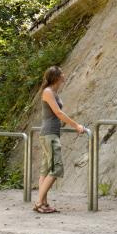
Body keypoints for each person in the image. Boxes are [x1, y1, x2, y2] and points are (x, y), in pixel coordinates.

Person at [34, 66, 86, 213]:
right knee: (56, 169)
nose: (64, 75)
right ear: (56, 77)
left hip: (50, 134)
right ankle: (39, 202)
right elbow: (58, 112)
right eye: (62, 73)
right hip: (49, 134)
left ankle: (43, 203)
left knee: (45, 170)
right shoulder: (48, 92)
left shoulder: (53, 92)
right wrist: (76, 125)